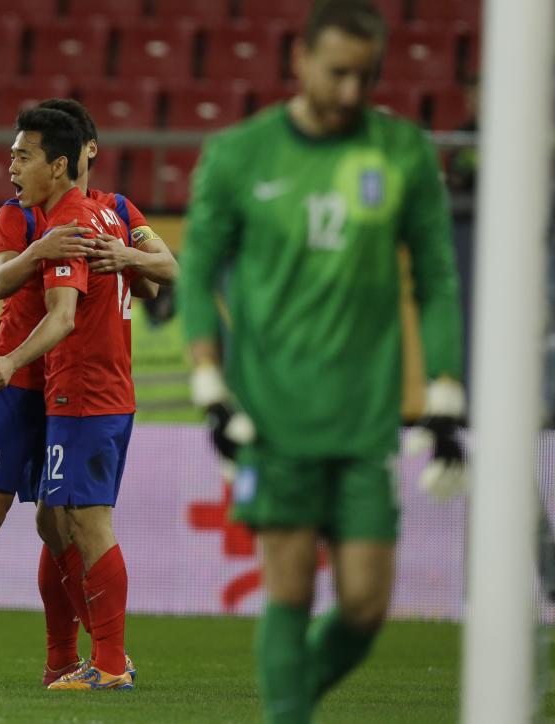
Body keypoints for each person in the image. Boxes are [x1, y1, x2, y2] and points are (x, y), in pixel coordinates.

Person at [179, 1, 465, 722]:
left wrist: (446, 392)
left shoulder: (401, 153)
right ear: (300, 61)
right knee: (291, 586)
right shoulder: (240, 154)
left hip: (364, 419)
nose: (348, 92)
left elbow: (435, 276)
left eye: (364, 77)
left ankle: (287, 706)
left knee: (367, 605)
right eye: (336, 73)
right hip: (272, 416)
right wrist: (208, 380)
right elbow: (198, 270)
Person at [0, 99, 176, 689]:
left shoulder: (105, 213)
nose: (10, 166)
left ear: (76, 156)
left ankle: (92, 657)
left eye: (22, 155)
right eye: (11, 154)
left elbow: (162, 277)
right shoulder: (26, 215)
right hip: (21, 382)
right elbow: (1, 281)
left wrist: (126, 259)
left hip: (65, 385)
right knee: (28, 517)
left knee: (68, 521)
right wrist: (43, 251)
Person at [0, 107, 139, 692]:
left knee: (89, 522)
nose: (12, 166)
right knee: (52, 516)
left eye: (24, 156)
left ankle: (111, 663)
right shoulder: (107, 214)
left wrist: (13, 360)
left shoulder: (69, 220)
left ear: (60, 163)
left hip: (86, 389)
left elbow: (63, 316)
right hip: (102, 388)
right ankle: (79, 655)